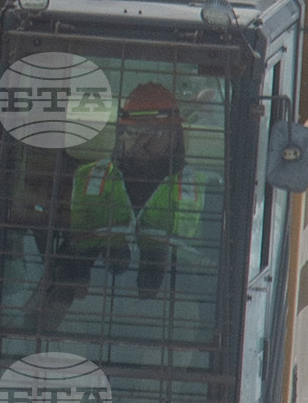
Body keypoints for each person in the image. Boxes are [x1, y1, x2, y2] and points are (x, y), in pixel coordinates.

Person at [61, 80, 217, 300]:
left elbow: (208, 266)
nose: (143, 142)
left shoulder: (204, 188)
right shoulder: (88, 177)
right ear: (121, 133)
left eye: (154, 134)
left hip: (174, 295)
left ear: (174, 137)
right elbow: (78, 249)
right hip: (97, 295)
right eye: (134, 132)